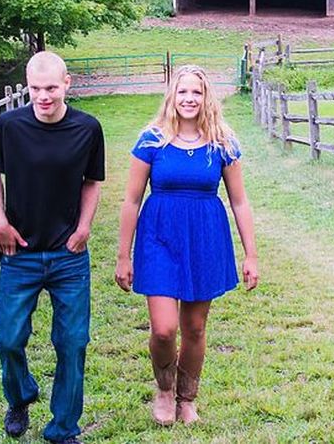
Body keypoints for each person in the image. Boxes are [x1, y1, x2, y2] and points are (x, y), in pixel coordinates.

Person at [115, 65, 259, 425]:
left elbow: (240, 201)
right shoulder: (151, 140)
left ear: (206, 96)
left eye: (196, 92)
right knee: (164, 329)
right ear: (172, 96)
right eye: (182, 92)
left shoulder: (223, 143)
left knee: (194, 327)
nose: (189, 99)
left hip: (205, 239)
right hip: (159, 238)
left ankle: (187, 397)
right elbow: (131, 201)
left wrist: (251, 255)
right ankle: (164, 389)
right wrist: (123, 255)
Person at [0, 51, 104, 444]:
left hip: (69, 255)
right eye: (35, 88)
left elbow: (92, 181)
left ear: (67, 83)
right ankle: (19, 397)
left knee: (72, 343)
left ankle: (64, 429)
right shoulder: (9, 126)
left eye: (51, 87)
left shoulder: (88, 128)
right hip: (20, 253)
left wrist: (84, 227)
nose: (43, 96)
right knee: (8, 338)